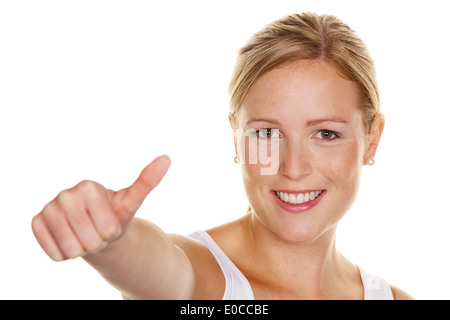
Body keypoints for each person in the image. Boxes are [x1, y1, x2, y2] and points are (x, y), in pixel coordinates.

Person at [31, 12, 413, 300]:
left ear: (372, 139)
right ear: (236, 139)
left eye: (326, 134)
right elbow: (164, 269)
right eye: (266, 133)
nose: (293, 168)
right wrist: (112, 243)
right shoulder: (207, 280)